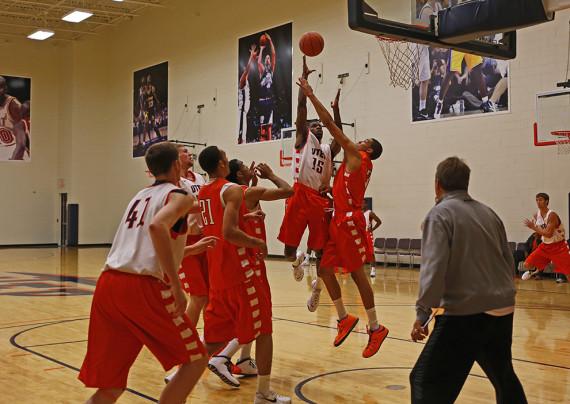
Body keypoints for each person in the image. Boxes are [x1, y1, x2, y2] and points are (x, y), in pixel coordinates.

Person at [79, 142, 214, 404]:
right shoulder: (179, 195)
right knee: (196, 360)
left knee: (111, 386)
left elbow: (143, 247)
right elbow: (156, 227)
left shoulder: (139, 196)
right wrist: (176, 284)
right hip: (143, 288)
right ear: (176, 165)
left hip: (109, 285)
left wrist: (190, 249)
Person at [409, 156, 527, 404]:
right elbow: (508, 261)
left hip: (466, 313)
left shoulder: (439, 214)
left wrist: (422, 313)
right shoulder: (489, 213)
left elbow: (434, 268)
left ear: (437, 184)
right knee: (503, 376)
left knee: (424, 380)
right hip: (503, 307)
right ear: (466, 184)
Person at [298, 77, 389, 358]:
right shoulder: (354, 161)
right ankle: (343, 318)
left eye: (364, 140)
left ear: (369, 149)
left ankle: (375, 327)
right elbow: (343, 185)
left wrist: (311, 96)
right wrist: (331, 190)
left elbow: (330, 125)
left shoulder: (357, 155)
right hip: (339, 218)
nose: (359, 139)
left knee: (358, 275)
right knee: (324, 270)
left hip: (349, 222)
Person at [198, 146, 291, 403]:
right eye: (225, 158)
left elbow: (208, 225)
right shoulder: (234, 191)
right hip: (241, 270)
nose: (227, 160)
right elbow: (229, 232)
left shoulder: (204, 193)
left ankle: (180, 375)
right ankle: (263, 393)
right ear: (221, 165)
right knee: (264, 330)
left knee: (215, 337)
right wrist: (256, 242)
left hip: (217, 273)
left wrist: (246, 216)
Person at [278, 56, 341, 312]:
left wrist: (335, 109)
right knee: (287, 251)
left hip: (318, 198)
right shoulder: (303, 140)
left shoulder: (328, 149)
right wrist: (303, 87)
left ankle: (317, 288)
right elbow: (301, 113)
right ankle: (297, 264)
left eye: (319, 124)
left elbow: (337, 130)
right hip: (299, 194)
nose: (316, 125)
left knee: (321, 251)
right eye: (312, 124)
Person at [522, 193, 570, 282]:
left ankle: (537, 269)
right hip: (545, 246)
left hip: (559, 247)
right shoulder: (537, 215)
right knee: (526, 264)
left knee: (568, 275)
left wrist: (533, 227)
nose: (538, 202)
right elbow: (541, 232)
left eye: (540, 200)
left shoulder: (552, 215)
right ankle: (534, 270)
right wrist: (537, 233)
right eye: (536, 200)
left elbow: (548, 234)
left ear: (546, 201)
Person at [415, 0, 443, 120]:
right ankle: (420, 108)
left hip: (425, 46)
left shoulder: (437, 6)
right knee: (419, 79)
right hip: (418, 45)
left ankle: (422, 109)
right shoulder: (427, 10)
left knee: (425, 79)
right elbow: (432, 31)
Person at [0, 76, 27, 160]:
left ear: (5, 89)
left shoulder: (13, 105)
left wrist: (13, 163)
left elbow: (21, 144)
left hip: (15, 153)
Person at [257, 33, 276, 141]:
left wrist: (270, 41)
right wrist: (261, 49)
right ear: (265, 61)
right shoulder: (262, 72)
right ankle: (262, 142)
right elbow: (258, 61)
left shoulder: (271, 71)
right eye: (267, 58)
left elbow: (273, 54)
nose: (268, 59)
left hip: (269, 100)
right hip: (261, 101)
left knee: (269, 125)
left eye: (269, 58)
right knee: (262, 126)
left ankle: (269, 142)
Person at [363, 206, 382, 277]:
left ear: (365, 204)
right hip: (361, 234)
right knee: (360, 252)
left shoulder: (370, 213)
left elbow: (379, 221)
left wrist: (372, 229)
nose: (361, 204)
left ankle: (373, 269)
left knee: (370, 252)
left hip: (368, 234)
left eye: (362, 203)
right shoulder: (358, 213)